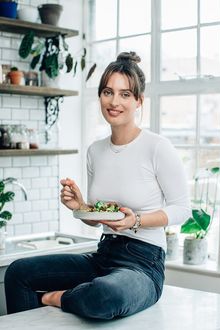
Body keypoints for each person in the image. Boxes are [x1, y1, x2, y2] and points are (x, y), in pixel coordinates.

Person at [4, 52, 191, 319]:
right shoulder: (96, 151)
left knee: (106, 295)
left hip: (143, 264)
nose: (114, 102)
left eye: (125, 94)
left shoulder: (157, 147)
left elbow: (182, 209)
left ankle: (53, 298)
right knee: (18, 272)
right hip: (103, 255)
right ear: (100, 96)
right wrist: (80, 207)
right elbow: (97, 218)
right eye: (108, 92)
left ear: (139, 101)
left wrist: (135, 220)